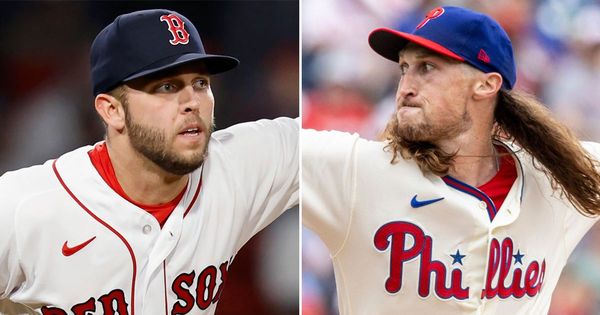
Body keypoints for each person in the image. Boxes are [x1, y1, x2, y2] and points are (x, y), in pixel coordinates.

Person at [302, 6, 600, 314]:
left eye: (427, 67)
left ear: (486, 84)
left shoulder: (556, 178)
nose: (405, 87)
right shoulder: (358, 171)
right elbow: (273, 147)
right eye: (404, 68)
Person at [0, 9, 298, 314]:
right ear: (111, 110)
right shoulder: (24, 207)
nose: (192, 102)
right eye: (167, 87)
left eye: (200, 83)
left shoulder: (237, 165)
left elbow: (338, 144)